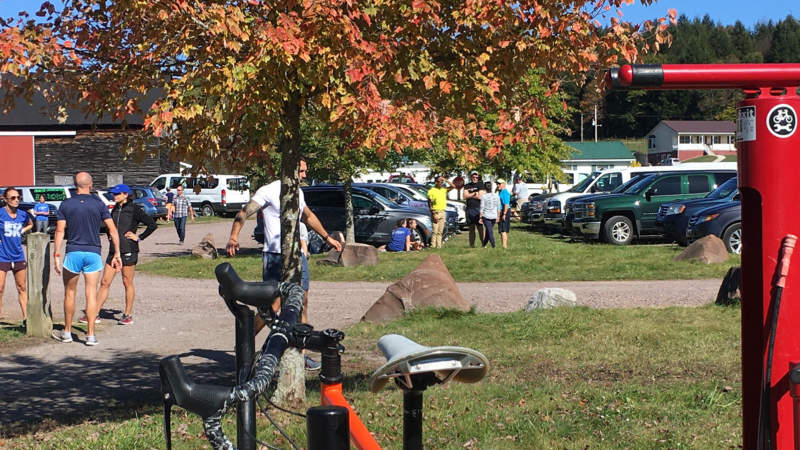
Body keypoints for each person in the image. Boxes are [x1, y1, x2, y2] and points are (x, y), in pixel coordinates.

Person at [226, 159, 343, 370]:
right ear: (289, 170)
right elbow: (245, 212)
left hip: (297, 255)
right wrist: (234, 236)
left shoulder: (298, 192)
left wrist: (327, 237)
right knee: (273, 305)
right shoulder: (269, 190)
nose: (305, 175)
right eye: (302, 171)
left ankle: (300, 353)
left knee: (302, 300)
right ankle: (245, 343)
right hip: (274, 256)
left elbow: (307, 216)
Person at [52, 172, 121, 346]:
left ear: (76, 185)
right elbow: (112, 230)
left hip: (73, 251)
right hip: (93, 253)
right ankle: (90, 335)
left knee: (70, 293)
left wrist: (56, 254)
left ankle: (67, 331)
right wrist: (117, 253)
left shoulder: (66, 204)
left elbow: (59, 231)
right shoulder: (99, 204)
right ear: (90, 184)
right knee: (91, 294)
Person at [93, 184, 158, 325]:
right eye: (113, 194)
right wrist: (111, 235)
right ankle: (94, 313)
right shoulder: (115, 208)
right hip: (113, 250)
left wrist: (139, 237)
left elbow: (152, 225)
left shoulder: (135, 209)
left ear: (125, 194)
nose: (114, 196)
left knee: (127, 282)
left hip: (129, 250)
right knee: (104, 282)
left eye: (117, 194)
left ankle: (127, 315)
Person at [0, 187, 33, 326]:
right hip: (2, 255)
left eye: (18, 197)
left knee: (22, 287)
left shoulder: (23, 214)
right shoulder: (1, 213)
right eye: (13, 198)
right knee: (0, 288)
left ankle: (26, 318)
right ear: (5, 199)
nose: (16, 200)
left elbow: (31, 224)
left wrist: (22, 230)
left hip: (18, 255)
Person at [427, 175, 453, 248]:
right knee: (435, 231)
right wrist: (434, 213)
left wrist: (446, 180)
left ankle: (439, 246)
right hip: (436, 212)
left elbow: (453, 186)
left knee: (440, 231)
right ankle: (433, 245)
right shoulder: (431, 191)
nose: (441, 183)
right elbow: (430, 203)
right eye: (439, 181)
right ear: (436, 182)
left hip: (442, 212)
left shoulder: (443, 189)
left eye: (442, 181)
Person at [463, 171, 484, 248]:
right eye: (473, 177)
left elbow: (480, 197)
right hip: (469, 209)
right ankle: (472, 245)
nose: (475, 178)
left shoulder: (480, 184)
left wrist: (469, 194)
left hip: (478, 208)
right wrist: (474, 194)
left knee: (480, 228)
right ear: (471, 177)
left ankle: (483, 244)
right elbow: (464, 196)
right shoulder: (467, 185)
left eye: (476, 177)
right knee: (471, 228)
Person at [479, 181, 499, 248]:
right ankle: (484, 244)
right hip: (494, 215)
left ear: (485, 188)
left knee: (489, 231)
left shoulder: (484, 196)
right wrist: (498, 216)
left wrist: (480, 217)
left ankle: (493, 245)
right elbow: (498, 207)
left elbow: (482, 207)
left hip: (486, 216)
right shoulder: (496, 196)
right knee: (488, 230)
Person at [496, 178, 511, 249]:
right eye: (497, 184)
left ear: (504, 184)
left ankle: (504, 246)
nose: (497, 185)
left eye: (499, 184)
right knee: (501, 229)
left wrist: (504, 214)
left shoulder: (505, 192)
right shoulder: (500, 192)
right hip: (502, 211)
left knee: (503, 229)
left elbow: (506, 204)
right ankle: (503, 245)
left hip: (505, 211)